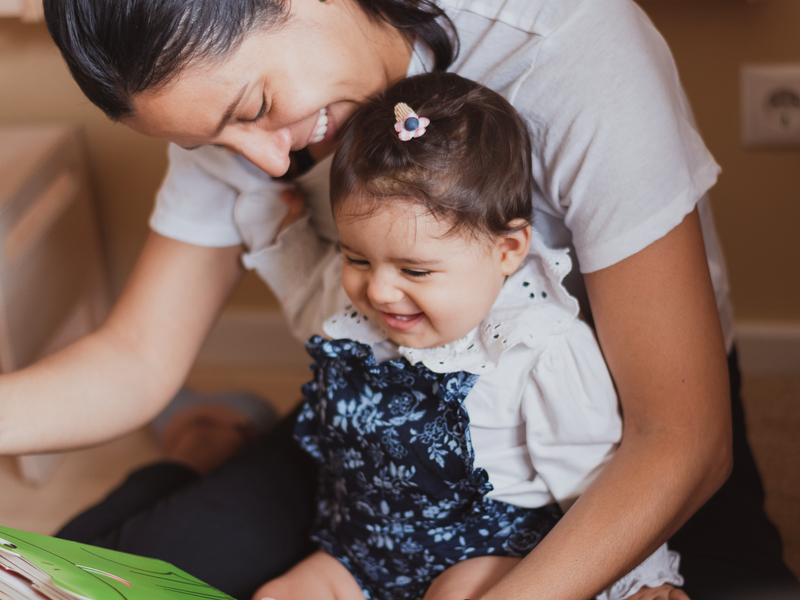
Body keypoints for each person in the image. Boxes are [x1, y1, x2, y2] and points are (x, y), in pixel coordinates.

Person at [0, 0, 793, 598]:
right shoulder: (226, 104)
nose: (265, 161)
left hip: (613, 442)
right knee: (90, 566)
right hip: (377, 439)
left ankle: (209, 440)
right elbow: (139, 354)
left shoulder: (569, 44)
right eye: (212, 145)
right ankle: (206, 443)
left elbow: (680, 438)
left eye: (251, 110)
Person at [252, 71, 687, 600]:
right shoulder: (357, 310)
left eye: (415, 271)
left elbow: (594, 475)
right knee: (279, 595)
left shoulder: (537, 345)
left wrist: (644, 579)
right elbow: (306, 301)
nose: (381, 291)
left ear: (507, 250)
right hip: (363, 549)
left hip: (487, 551)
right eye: (357, 258)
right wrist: (278, 231)